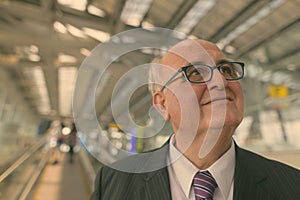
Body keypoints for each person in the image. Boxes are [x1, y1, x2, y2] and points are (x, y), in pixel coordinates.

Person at [90, 38, 300, 200]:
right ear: (162, 104)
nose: (220, 81)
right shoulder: (113, 184)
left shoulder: (291, 186)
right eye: (195, 72)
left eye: (226, 69)